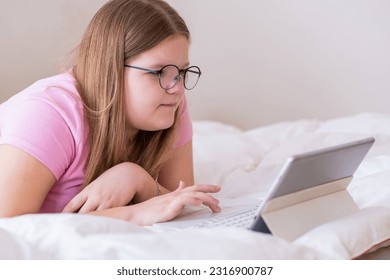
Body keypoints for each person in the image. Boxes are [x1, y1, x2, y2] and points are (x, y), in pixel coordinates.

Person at [0, 0, 221, 225]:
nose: (177, 88)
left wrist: (139, 180)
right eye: (158, 72)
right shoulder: (48, 113)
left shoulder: (170, 104)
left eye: (181, 72)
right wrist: (133, 214)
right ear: (111, 69)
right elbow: (8, 228)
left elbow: (180, 203)